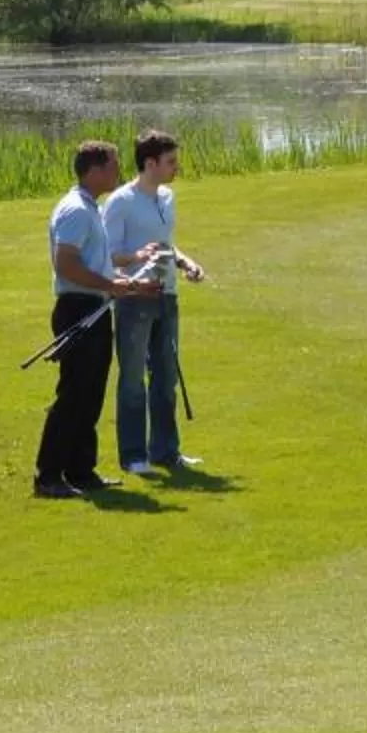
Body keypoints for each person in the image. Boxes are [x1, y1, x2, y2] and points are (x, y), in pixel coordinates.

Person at [33, 139, 158, 500]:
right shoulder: (76, 210)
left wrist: (127, 279)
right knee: (73, 394)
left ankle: (80, 469)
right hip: (79, 308)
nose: (119, 172)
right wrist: (109, 285)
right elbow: (67, 263)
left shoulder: (91, 208)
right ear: (95, 169)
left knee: (90, 394)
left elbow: (96, 261)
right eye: (114, 165)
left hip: (95, 307)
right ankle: (48, 476)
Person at [105, 128, 209, 477]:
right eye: (170, 162)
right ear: (149, 163)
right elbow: (108, 256)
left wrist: (185, 262)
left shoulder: (167, 197)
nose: (175, 168)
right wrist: (136, 256)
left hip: (167, 294)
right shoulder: (120, 201)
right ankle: (134, 456)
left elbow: (166, 243)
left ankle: (167, 451)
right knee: (133, 379)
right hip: (134, 298)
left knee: (166, 377)